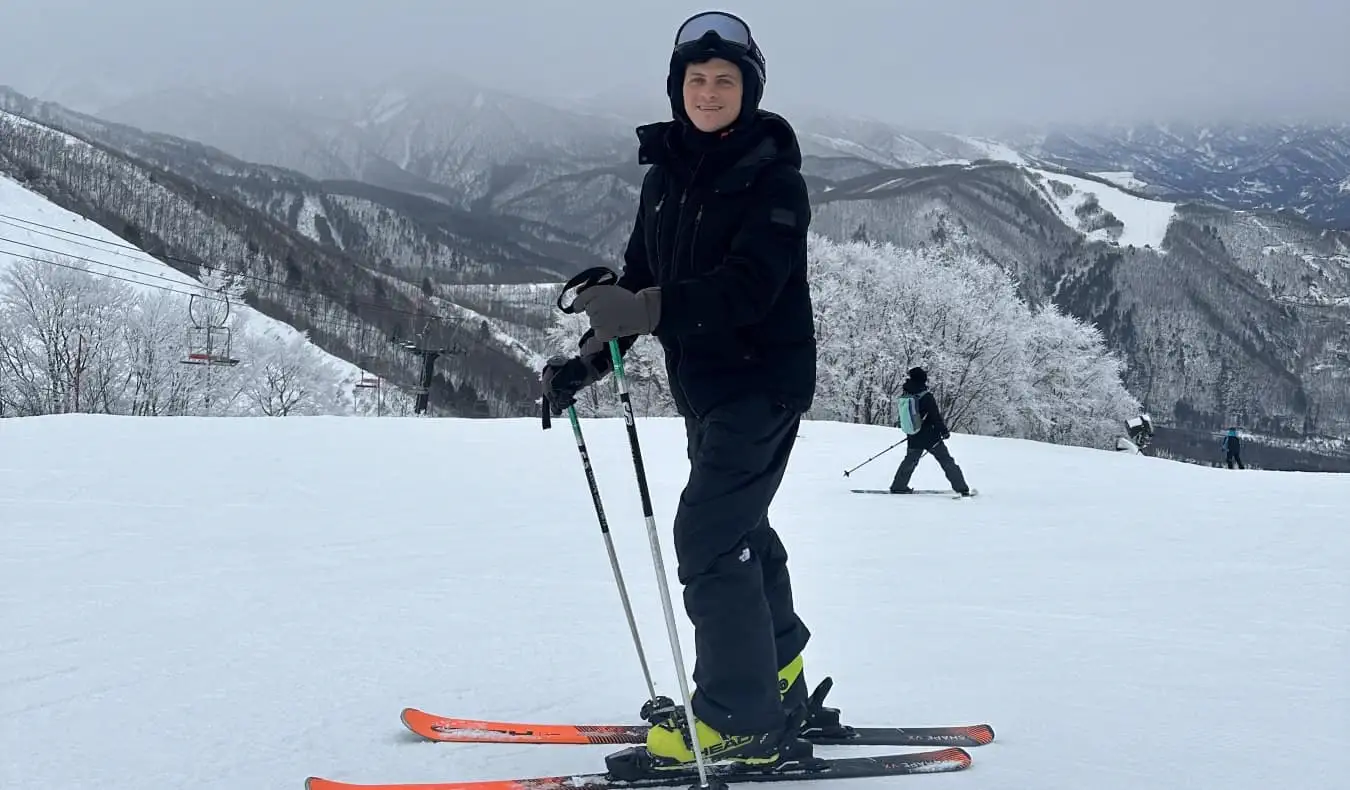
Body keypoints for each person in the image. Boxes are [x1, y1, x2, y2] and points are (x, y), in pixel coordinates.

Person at [540, 9, 824, 770]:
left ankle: (740, 721)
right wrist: (587, 364)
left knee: (710, 536)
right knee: (741, 530)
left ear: (749, 90)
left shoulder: (775, 180)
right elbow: (640, 282)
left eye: (724, 80)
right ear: (677, 89)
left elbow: (749, 288)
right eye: (695, 80)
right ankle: (779, 678)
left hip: (761, 382)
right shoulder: (667, 177)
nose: (708, 92)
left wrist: (649, 308)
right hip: (705, 385)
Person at [889, 367, 972, 495]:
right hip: (931, 437)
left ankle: (898, 486)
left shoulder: (906, 394)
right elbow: (935, 417)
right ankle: (962, 488)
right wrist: (944, 431)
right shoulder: (926, 396)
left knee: (910, 461)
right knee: (946, 460)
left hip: (913, 435)